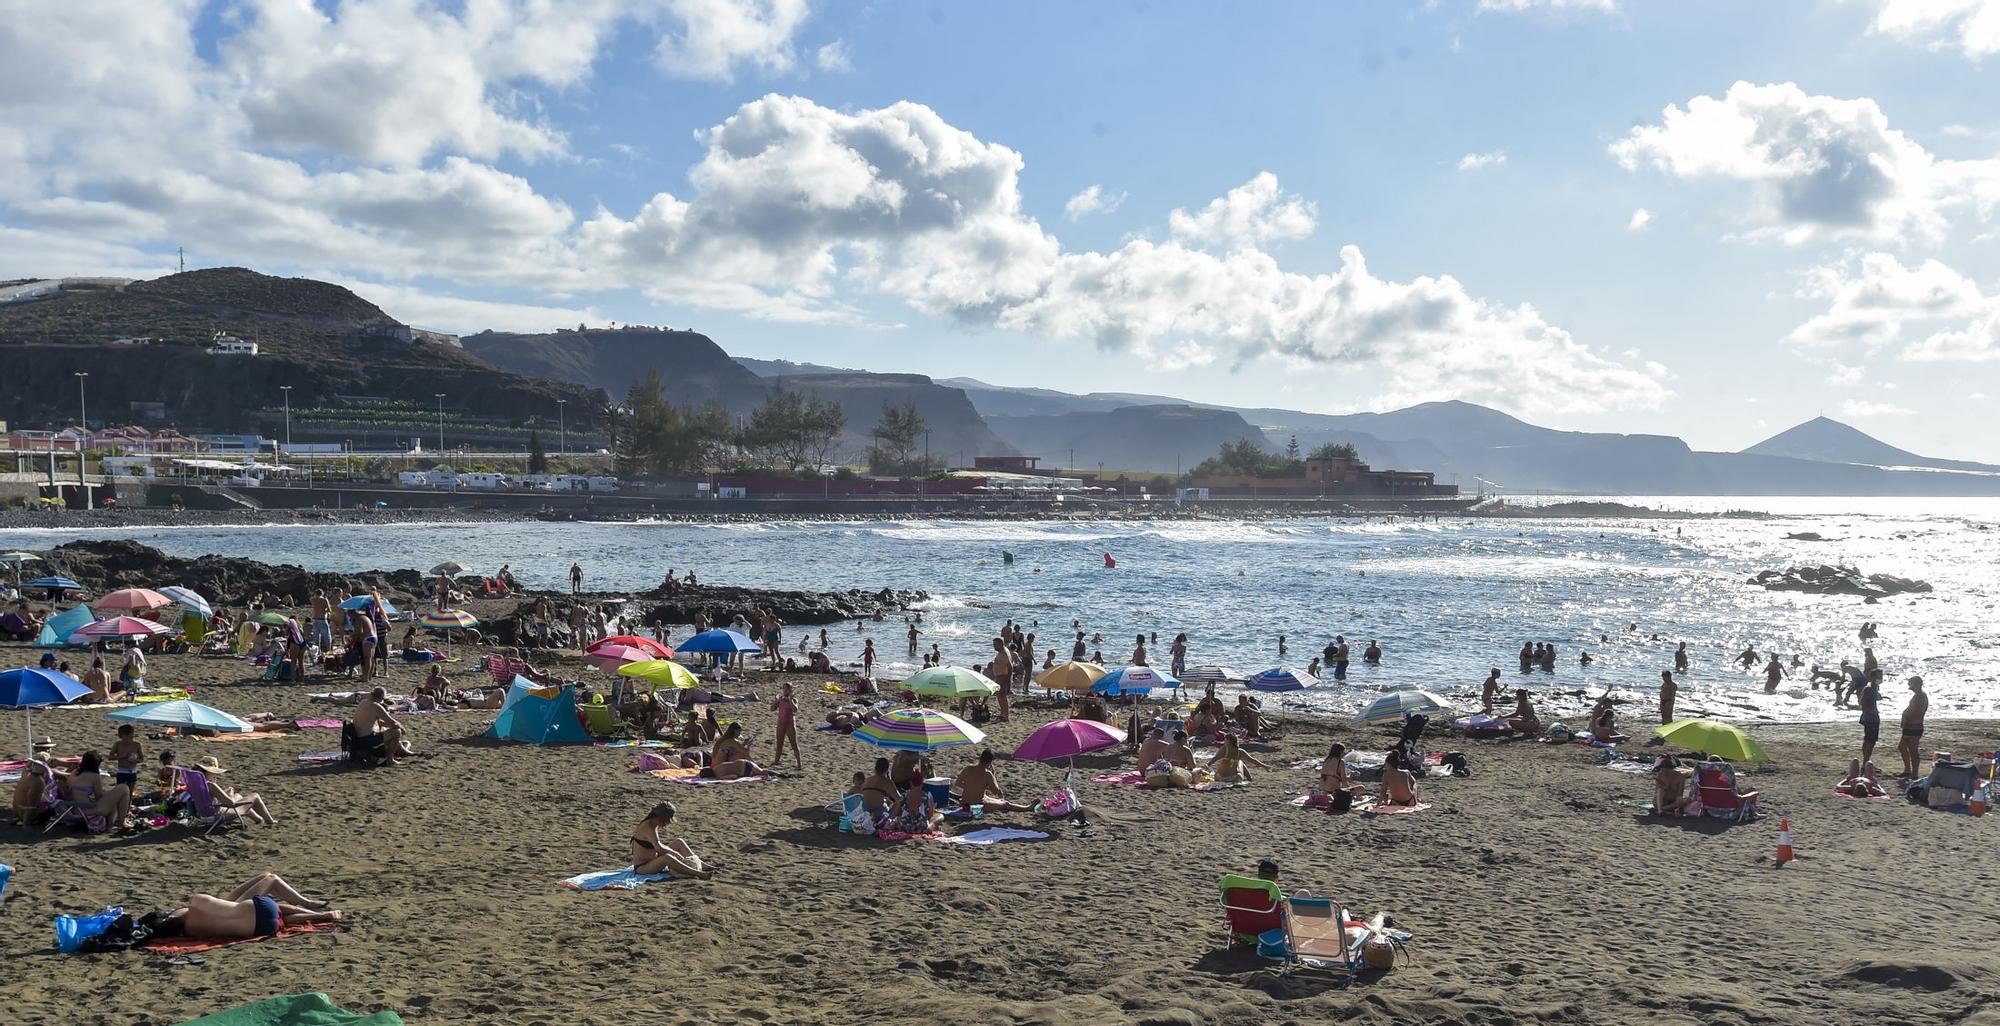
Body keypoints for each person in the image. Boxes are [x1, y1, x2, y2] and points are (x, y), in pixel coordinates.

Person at [153, 874, 342, 939]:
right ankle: (308, 905)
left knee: (278, 916)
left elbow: (228, 906)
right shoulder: (197, 902)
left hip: (262, 928)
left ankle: (321, 915)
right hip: (253, 910)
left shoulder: (191, 932)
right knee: (271, 880)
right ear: (176, 916)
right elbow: (231, 903)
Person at [630, 802, 713, 879]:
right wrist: (675, 854)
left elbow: (659, 845)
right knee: (667, 858)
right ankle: (699, 874)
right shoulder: (648, 826)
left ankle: (701, 864)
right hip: (642, 867)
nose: (666, 824)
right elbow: (659, 848)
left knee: (679, 842)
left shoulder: (654, 825)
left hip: (653, 859)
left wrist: (674, 853)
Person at [64, 751, 134, 832]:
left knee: (113, 803)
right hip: (88, 810)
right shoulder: (94, 776)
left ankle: (110, 827)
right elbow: (99, 797)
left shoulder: (74, 772)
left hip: (73, 809)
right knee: (124, 788)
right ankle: (121, 823)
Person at [195, 756, 277, 824]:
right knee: (255, 796)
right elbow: (231, 803)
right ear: (208, 772)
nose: (216, 775)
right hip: (216, 815)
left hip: (202, 814)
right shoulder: (211, 785)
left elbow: (210, 798)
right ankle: (270, 821)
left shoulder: (195, 783)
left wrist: (229, 793)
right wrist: (230, 795)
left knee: (238, 796)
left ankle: (258, 819)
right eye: (214, 773)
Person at [954, 750, 1034, 812]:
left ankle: (990, 800)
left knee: (986, 797)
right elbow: (996, 792)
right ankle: (1027, 808)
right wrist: (993, 775)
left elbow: (957, 783)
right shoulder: (987, 774)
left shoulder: (968, 768)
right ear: (990, 762)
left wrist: (970, 787)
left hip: (963, 804)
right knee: (1005, 804)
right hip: (977, 806)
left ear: (980, 758)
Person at [355, 686, 414, 764]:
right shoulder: (376, 706)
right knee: (396, 732)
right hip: (366, 739)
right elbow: (392, 722)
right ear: (382, 698)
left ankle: (402, 752)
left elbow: (379, 722)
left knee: (394, 736)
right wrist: (402, 728)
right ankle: (390, 760)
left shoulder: (363, 702)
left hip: (356, 737)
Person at [1897, 675, 1927, 779]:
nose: (1909, 686)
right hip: (1910, 726)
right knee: (1902, 747)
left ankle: (1914, 773)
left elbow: (1917, 711)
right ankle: (1907, 770)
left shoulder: (1921, 696)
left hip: (1914, 726)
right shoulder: (1918, 696)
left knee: (1913, 750)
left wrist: (1906, 717)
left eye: (1911, 684)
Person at [769, 682, 801, 768]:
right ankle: (776, 761)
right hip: (781, 723)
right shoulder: (781, 699)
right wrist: (776, 701)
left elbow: (795, 709)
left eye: (787, 689)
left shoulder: (794, 700)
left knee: (794, 744)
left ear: (791, 690)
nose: (785, 691)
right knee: (779, 744)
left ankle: (799, 763)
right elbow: (772, 709)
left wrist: (790, 700)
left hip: (790, 724)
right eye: (784, 689)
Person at [1857, 668, 1883, 770]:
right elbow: (1863, 703)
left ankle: (1866, 761)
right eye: (1878, 676)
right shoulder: (1870, 688)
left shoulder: (1874, 688)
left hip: (1870, 716)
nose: (1880, 678)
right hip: (1870, 717)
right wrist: (1872, 712)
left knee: (1869, 739)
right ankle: (1865, 762)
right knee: (1870, 740)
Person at [110, 725, 143, 792]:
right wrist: (123, 757)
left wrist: (136, 760)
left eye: (130, 738)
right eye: (126, 739)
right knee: (120, 791)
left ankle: (128, 802)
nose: (128, 741)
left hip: (132, 771)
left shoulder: (136, 745)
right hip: (122, 771)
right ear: (121, 736)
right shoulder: (118, 744)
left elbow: (142, 758)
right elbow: (110, 757)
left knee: (130, 792)